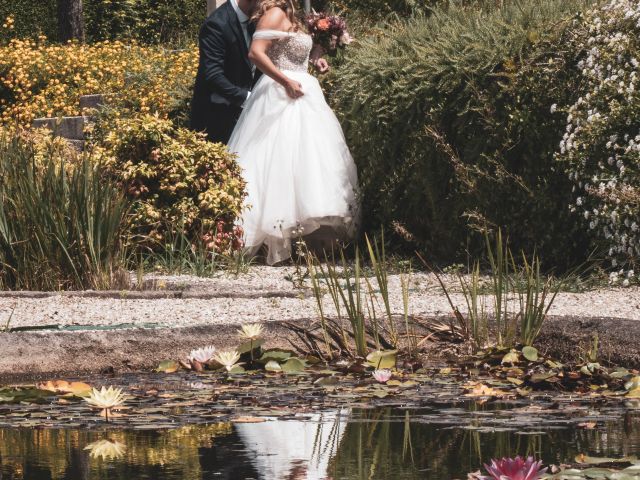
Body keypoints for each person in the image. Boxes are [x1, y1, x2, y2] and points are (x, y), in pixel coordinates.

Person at [228, 0, 359, 264]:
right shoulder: (274, 13)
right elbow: (256, 53)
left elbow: (290, 52)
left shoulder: (291, 15)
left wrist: (315, 60)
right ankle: (269, 242)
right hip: (280, 93)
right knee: (277, 159)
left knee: (306, 162)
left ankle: (302, 244)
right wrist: (285, 80)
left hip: (302, 89)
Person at [190, 0, 328, 144]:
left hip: (259, 109)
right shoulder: (217, 24)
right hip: (220, 114)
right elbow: (213, 75)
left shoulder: (259, 17)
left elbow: (280, 47)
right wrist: (252, 99)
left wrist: (311, 57)